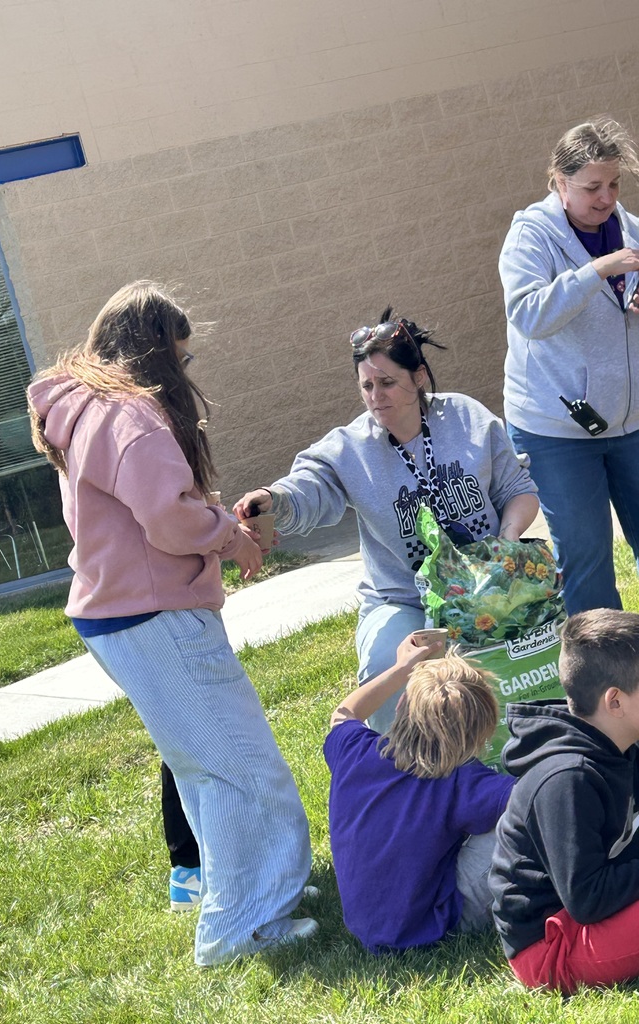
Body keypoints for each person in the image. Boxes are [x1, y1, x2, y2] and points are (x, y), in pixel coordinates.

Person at [26, 280, 315, 966]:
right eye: (179, 359)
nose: (185, 374)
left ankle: (239, 913)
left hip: (119, 618)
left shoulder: (84, 408)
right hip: (156, 615)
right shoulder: (128, 415)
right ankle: (241, 927)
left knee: (207, 770)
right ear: (153, 352)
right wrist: (229, 536)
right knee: (247, 770)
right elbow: (168, 519)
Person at [234, 308, 539, 733]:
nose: (376, 395)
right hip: (402, 599)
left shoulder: (467, 419)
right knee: (385, 670)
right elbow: (310, 486)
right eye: (367, 385)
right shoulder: (351, 448)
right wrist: (273, 498)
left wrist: (502, 544)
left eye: (387, 382)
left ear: (417, 378)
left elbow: (518, 490)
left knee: (523, 673)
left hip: (485, 585)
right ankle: (400, 777)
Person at [499, 116, 639, 615]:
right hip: (556, 431)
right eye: (592, 187)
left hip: (632, 423)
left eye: (615, 184)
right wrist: (597, 270)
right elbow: (529, 314)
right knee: (586, 560)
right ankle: (606, 683)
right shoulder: (530, 237)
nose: (606, 198)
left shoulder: (630, 230)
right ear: (559, 182)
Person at [325, 633, 514, 952]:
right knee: (519, 821)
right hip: (434, 925)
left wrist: (402, 668)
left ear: (401, 704)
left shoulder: (354, 752)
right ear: (479, 737)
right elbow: (540, 795)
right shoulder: (461, 781)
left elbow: (343, 713)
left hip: (366, 927)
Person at [490, 609, 639, 993]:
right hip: (551, 944)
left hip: (594, 912)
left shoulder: (621, 742)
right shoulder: (566, 778)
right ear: (616, 702)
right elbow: (587, 898)